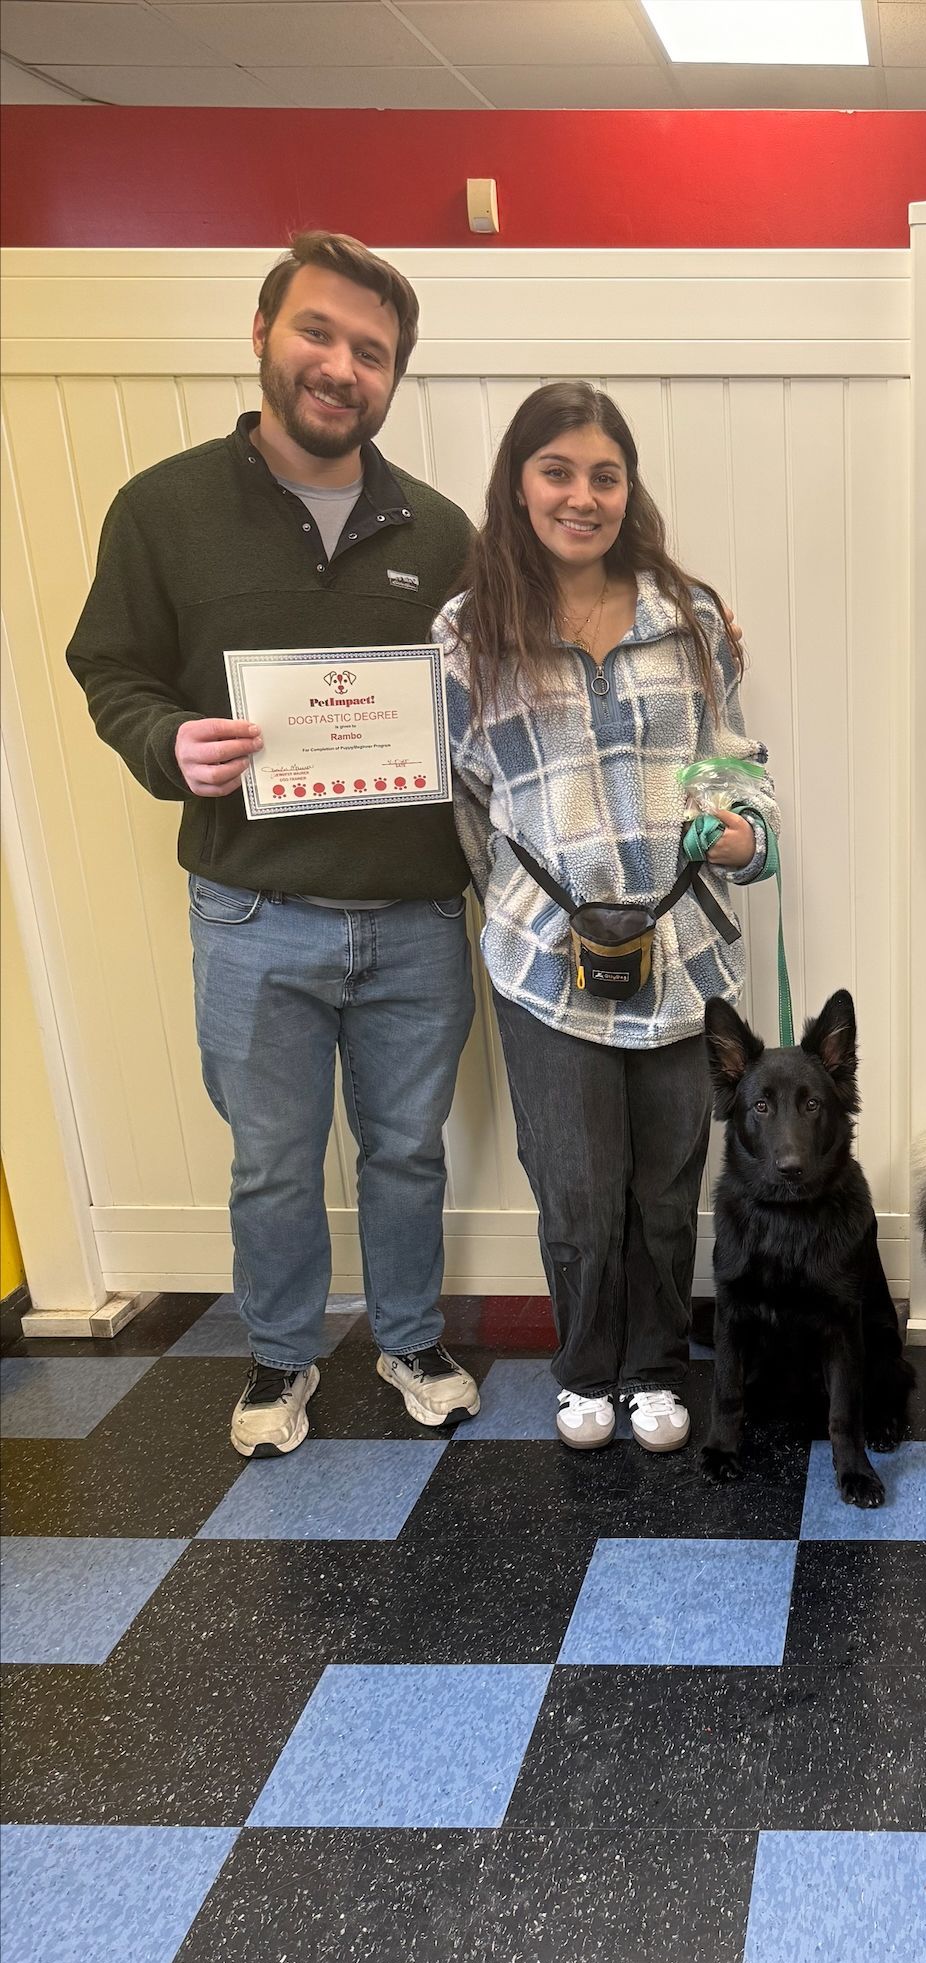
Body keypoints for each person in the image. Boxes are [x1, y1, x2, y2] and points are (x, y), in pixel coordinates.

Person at [67, 231, 482, 1458]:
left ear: (394, 375)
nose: (342, 366)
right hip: (252, 912)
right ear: (262, 334)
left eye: (373, 351)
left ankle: (410, 1338)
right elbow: (110, 667)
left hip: (415, 912)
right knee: (272, 1163)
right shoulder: (162, 510)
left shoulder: (441, 530)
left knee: (405, 1151)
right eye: (318, 332)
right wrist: (166, 741)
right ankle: (282, 1352)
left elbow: (506, 675)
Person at [439, 381, 775, 1452]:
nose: (582, 497)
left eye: (605, 476)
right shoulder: (466, 634)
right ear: (518, 484)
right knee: (577, 1188)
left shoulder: (692, 617)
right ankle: (585, 1370)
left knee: (669, 1187)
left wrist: (747, 837)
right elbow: (464, 803)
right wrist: (515, 905)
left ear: (629, 490)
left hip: (684, 952)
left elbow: (732, 761)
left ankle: (656, 1368)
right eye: (558, 472)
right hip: (544, 959)